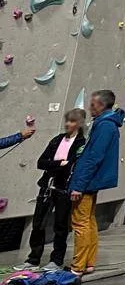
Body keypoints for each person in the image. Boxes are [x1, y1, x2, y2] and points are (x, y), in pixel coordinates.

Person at [70, 90, 124, 276]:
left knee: (80, 223)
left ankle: (78, 265)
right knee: (89, 221)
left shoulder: (104, 126)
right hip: (91, 181)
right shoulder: (107, 124)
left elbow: (93, 157)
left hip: (87, 181)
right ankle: (88, 262)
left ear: (101, 106)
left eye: (92, 105)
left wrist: (78, 184)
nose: (90, 108)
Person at [25, 109, 84, 271]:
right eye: (67, 121)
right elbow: (41, 162)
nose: (68, 124)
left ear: (79, 124)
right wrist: (59, 164)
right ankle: (33, 258)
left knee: (60, 225)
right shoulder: (57, 140)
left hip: (64, 188)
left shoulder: (81, 144)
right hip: (47, 186)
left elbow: (72, 166)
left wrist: (63, 165)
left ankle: (56, 260)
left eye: (72, 121)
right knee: (38, 223)